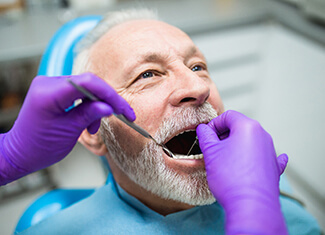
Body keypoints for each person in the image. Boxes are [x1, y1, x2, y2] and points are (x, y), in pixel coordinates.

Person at [0, 9, 320, 234]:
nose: (198, 89)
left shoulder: (267, 183)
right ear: (93, 131)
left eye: (197, 67)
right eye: (148, 74)